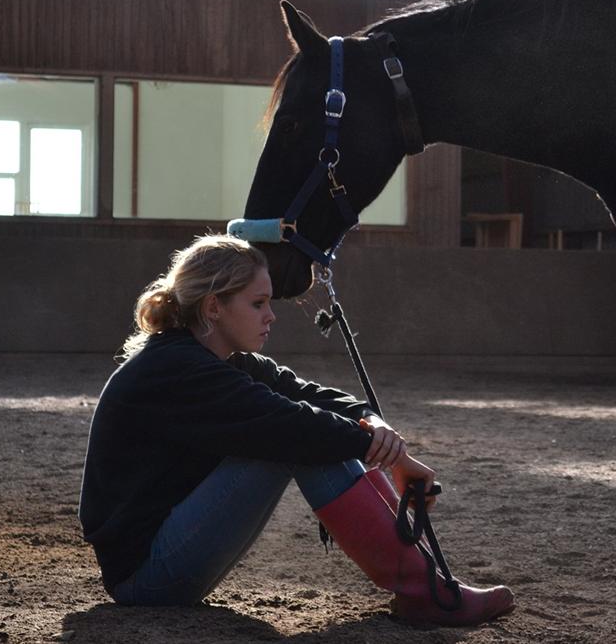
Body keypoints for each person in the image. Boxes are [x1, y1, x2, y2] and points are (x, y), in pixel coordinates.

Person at [78, 235, 514, 626]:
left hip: (168, 553)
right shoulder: (175, 368)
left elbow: (313, 395)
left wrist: (376, 426)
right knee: (299, 438)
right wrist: (391, 456)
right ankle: (425, 594)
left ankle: (425, 587)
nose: (271, 316)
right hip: (146, 579)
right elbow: (291, 423)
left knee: (309, 428)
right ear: (214, 307)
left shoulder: (225, 359)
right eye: (257, 303)